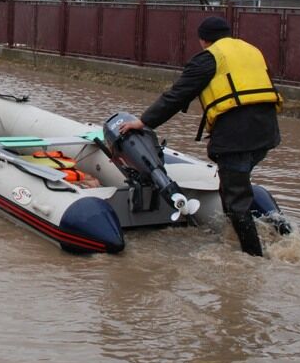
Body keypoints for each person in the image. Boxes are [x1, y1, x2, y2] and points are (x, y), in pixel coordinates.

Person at [118, 15, 282, 256]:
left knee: (237, 201)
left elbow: (176, 96)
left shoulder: (209, 58)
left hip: (236, 137)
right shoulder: (251, 50)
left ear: (203, 40)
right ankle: (236, 234)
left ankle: (252, 258)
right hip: (266, 134)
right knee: (233, 185)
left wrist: (142, 122)